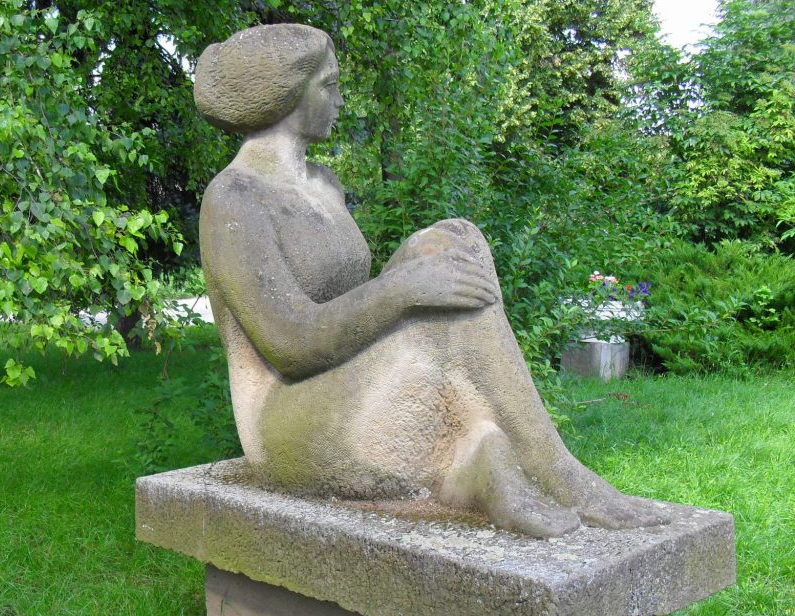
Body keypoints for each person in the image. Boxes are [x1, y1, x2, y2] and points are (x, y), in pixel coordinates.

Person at [194, 24, 668, 537]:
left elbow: (352, 304)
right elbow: (292, 345)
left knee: (454, 241)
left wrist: (417, 269)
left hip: (343, 384)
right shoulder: (235, 198)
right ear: (285, 94)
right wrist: (404, 289)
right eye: (328, 85)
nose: (340, 99)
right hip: (287, 419)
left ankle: (485, 464)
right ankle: (556, 471)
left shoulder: (325, 185)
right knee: (441, 312)